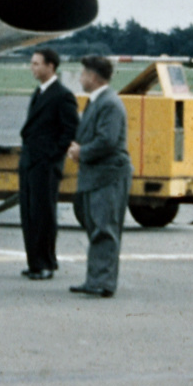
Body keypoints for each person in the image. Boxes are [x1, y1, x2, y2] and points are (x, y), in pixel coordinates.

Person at [67, 55, 133, 297]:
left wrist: (81, 151)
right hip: (95, 174)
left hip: (108, 175)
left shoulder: (109, 104)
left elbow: (107, 140)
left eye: (83, 73)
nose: (80, 77)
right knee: (96, 226)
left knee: (104, 227)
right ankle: (95, 279)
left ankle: (102, 282)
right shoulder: (96, 101)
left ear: (94, 77)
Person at [18, 48, 79, 280]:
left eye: (36, 64)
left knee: (43, 214)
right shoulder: (40, 92)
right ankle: (34, 262)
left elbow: (70, 130)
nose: (32, 67)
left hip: (44, 164)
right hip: (30, 162)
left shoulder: (62, 95)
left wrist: (51, 156)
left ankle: (45, 263)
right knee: (29, 214)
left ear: (50, 66)